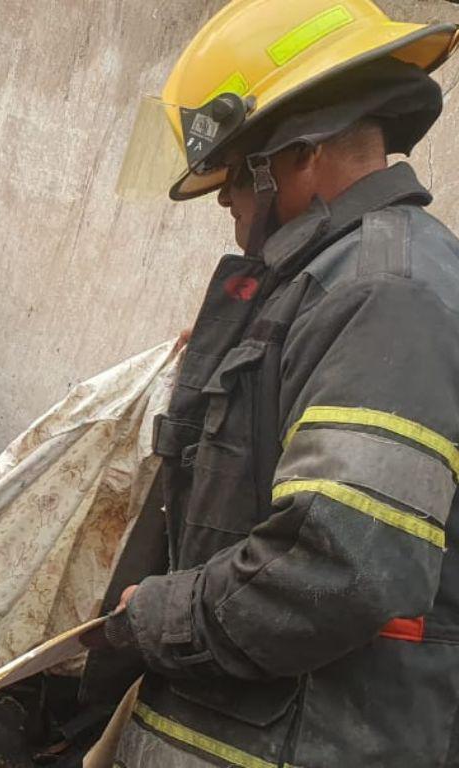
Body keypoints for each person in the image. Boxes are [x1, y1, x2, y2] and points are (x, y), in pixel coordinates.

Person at [87, 1, 459, 765]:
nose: (224, 198)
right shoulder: (329, 285)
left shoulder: (383, 297)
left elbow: (342, 566)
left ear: (299, 155)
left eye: (232, 173)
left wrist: (161, 615)